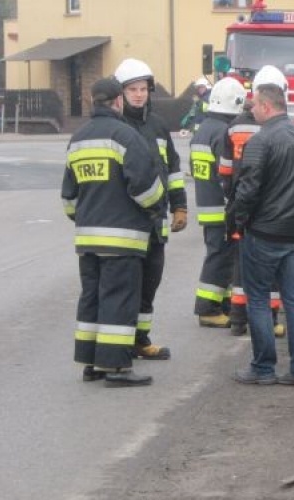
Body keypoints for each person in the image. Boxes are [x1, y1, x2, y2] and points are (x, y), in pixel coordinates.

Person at [61, 77, 165, 388]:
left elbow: (69, 199)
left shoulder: (77, 139)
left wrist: (85, 218)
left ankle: (91, 363)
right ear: (119, 101)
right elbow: (145, 189)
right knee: (119, 299)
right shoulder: (125, 136)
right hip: (122, 238)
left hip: (87, 239)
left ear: (92, 101)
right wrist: (156, 209)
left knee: (91, 299)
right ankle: (117, 367)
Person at [231, 83, 294, 386]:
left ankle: (263, 367)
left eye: (254, 105)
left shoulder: (260, 140)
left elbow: (248, 189)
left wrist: (238, 221)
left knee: (258, 299)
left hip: (265, 232)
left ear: (266, 106)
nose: (251, 110)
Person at [114, 58, 189, 359]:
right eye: (132, 89)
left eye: (143, 89)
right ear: (121, 93)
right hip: (128, 221)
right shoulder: (117, 126)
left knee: (149, 284)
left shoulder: (157, 125)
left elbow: (172, 168)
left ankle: (140, 340)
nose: (138, 95)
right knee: (127, 287)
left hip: (155, 223)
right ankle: (121, 344)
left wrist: (180, 206)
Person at [221, 65, 289, 337]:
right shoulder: (279, 128)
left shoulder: (234, 126)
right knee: (269, 265)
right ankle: (269, 321)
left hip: (240, 203)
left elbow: (225, 170)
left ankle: (238, 319)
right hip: (268, 207)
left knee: (241, 263)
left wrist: (234, 199)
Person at [191, 76, 246, 328]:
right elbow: (229, 173)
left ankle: (223, 302)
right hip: (222, 207)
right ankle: (207, 308)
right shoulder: (224, 132)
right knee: (220, 257)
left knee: (221, 255)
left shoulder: (202, 130)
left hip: (207, 205)